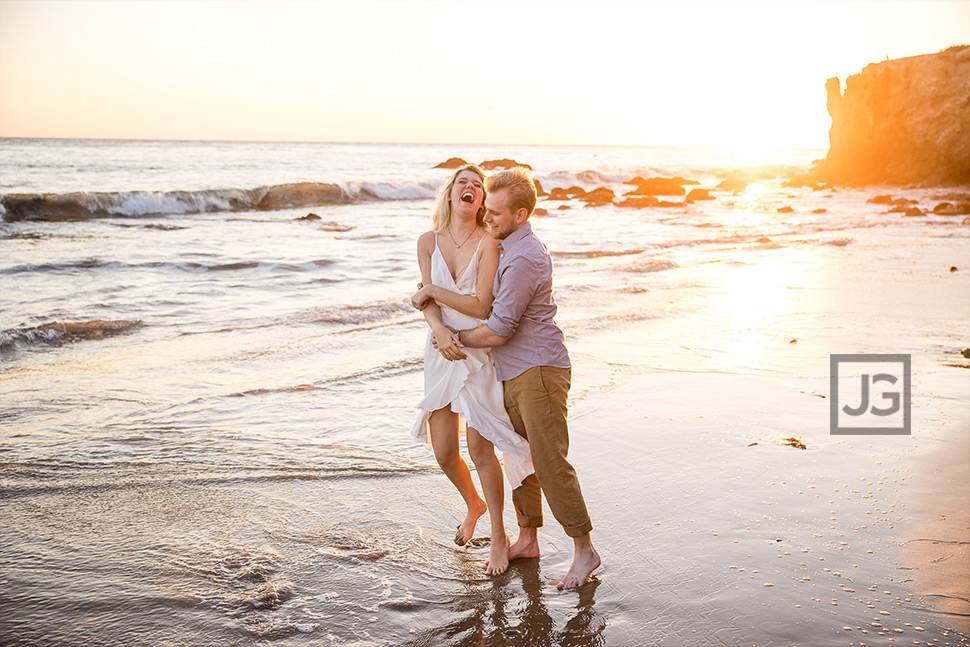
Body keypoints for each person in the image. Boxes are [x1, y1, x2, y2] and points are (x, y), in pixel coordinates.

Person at [451, 167, 601, 590]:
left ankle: (585, 549)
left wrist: (456, 338)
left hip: (538, 371)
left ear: (519, 214)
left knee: (550, 463)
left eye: (495, 212)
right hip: (513, 372)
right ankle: (528, 539)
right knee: (521, 457)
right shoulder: (506, 246)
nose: (487, 217)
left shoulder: (525, 256)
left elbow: (500, 328)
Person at [409, 164, 534, 576]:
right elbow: (428, 303)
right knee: (444, 450)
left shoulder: (488, 242)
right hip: (441, 348)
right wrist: (439, 329)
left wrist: (433, 294)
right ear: (450, 193)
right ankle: (473, 504)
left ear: (481, 200)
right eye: (462, 182)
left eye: (477, 186)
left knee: (481, 449)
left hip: (477, 348)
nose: (470, 187)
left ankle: (499, 535)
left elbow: (481, 305)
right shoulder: (427, 241)